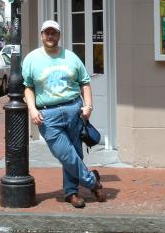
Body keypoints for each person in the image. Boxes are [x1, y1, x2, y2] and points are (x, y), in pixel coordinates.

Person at [22, 20, 106, 208]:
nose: (50, 36)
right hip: (47, 115)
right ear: (42, 35)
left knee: (75, 153)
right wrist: (32, 110)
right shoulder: (32, 59)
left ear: (59, 35)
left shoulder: (71, 57)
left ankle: (71, 193)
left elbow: (85, 82)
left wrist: (88, 107)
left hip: (73, 110)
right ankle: (93, 181)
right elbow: (28, 88)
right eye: (47, 33)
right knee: (65, 154)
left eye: (54, 33)